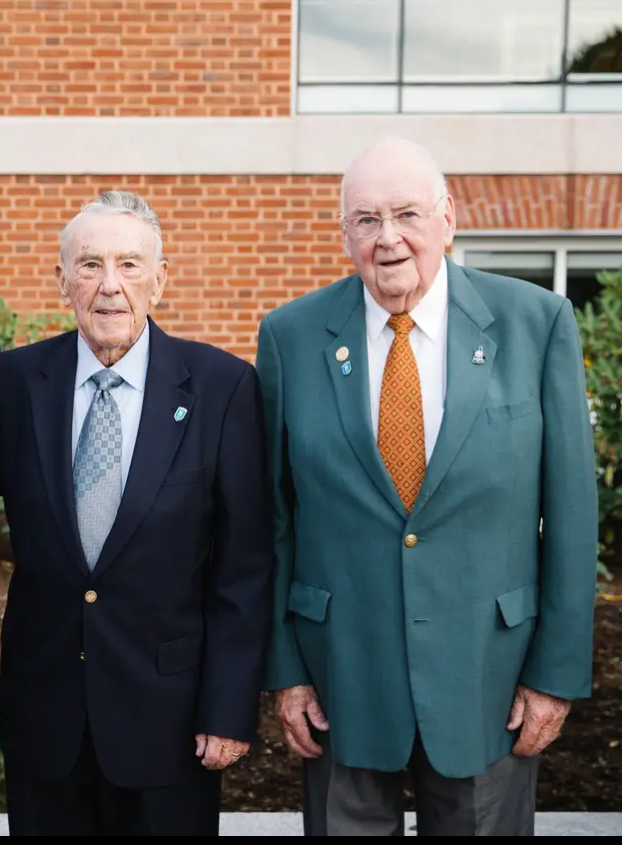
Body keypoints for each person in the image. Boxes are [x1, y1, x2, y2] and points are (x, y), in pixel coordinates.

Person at [257, 137, 598, 836]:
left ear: (449, 218)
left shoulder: (536, 325)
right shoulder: (290, 336)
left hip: (490, 675)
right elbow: (274, 518)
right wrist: (285, 670)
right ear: (344, 232)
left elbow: (570, 514)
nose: (388, 239)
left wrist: (555, 673)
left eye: (407, 214)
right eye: (366, 220)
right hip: (338, 676)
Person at [0, 191, 274, 836]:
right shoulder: (14, 382)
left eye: (130, 265)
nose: (109, 286)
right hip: (45, 715)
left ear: (160, 280)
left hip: (169, 721)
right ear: (62, 282)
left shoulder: (222, 387)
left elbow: (243, 566)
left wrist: (228, 709)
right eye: (89, 265)